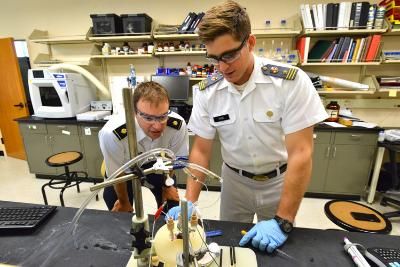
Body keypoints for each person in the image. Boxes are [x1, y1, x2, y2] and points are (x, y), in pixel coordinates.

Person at [167, 0, 328, 253]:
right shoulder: (207, 92)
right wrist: (190, 201)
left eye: (229, 55)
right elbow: (201, 150)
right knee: (229, 247)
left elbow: (301, 152)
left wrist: (283, 221)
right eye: (214, 58)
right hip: (234, 182)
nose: (222, 67)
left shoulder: (290, 82)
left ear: (250, 43)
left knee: (275, 252)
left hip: (279, 181)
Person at [99, 81, 189, 213]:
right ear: (135, 113)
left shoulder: (177, 126)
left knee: (171, 207)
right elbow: (117, 172)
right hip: (124, 170)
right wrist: (124, 202)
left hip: (158, 166)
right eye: (148, 118)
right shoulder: (112, 133)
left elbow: (172, 160)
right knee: (120, 216)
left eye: (163, 116)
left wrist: (167, 186)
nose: (158, 126)